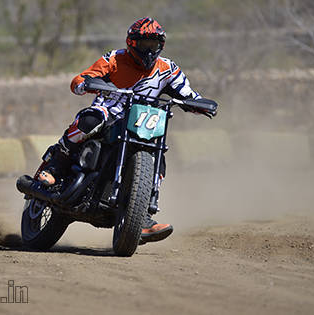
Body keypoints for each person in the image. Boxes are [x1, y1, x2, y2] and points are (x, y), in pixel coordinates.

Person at [38, 17, 205, 244]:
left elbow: (187, 94)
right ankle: (55, 167)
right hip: (109, 112)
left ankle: (143, 214)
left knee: (159, 156)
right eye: (143, 44)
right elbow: (81, 79)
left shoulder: (168, 68)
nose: (148, 50)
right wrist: (85, 83)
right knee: (90, 121)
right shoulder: (114, 58)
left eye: (153, 45)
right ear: (131, 42)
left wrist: (200, 104)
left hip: (142, 121)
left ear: (161, 46)